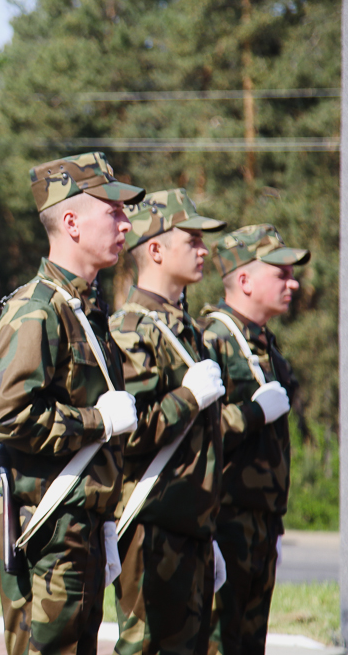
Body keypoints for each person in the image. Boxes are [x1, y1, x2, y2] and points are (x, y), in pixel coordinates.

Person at [0, 153, 144, 655]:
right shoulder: (39, 307)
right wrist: (97, 422)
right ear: (71, 222)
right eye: (112, 211)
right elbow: (3, 413)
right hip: (49, 532)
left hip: (79, 526)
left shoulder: (85, 308)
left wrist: (105, 516)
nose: (125, 223)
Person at [108, 188, 227, 655]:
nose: (204, 250)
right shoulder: (132, 328)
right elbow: (127, 431)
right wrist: (188, 398)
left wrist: (205, 526)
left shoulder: (187, 328)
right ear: (155, 249)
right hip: (151, 528)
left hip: (189, 527)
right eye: (192, 240)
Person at [200, 224, 309, 655]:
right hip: (224, 522)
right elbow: (198, 431)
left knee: (249, 644)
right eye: (280, 273)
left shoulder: (266, 345)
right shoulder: (213, 340)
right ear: (244, 279)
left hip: (262, 524)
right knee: (218, 643)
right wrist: (253, 413)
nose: (292, 283)